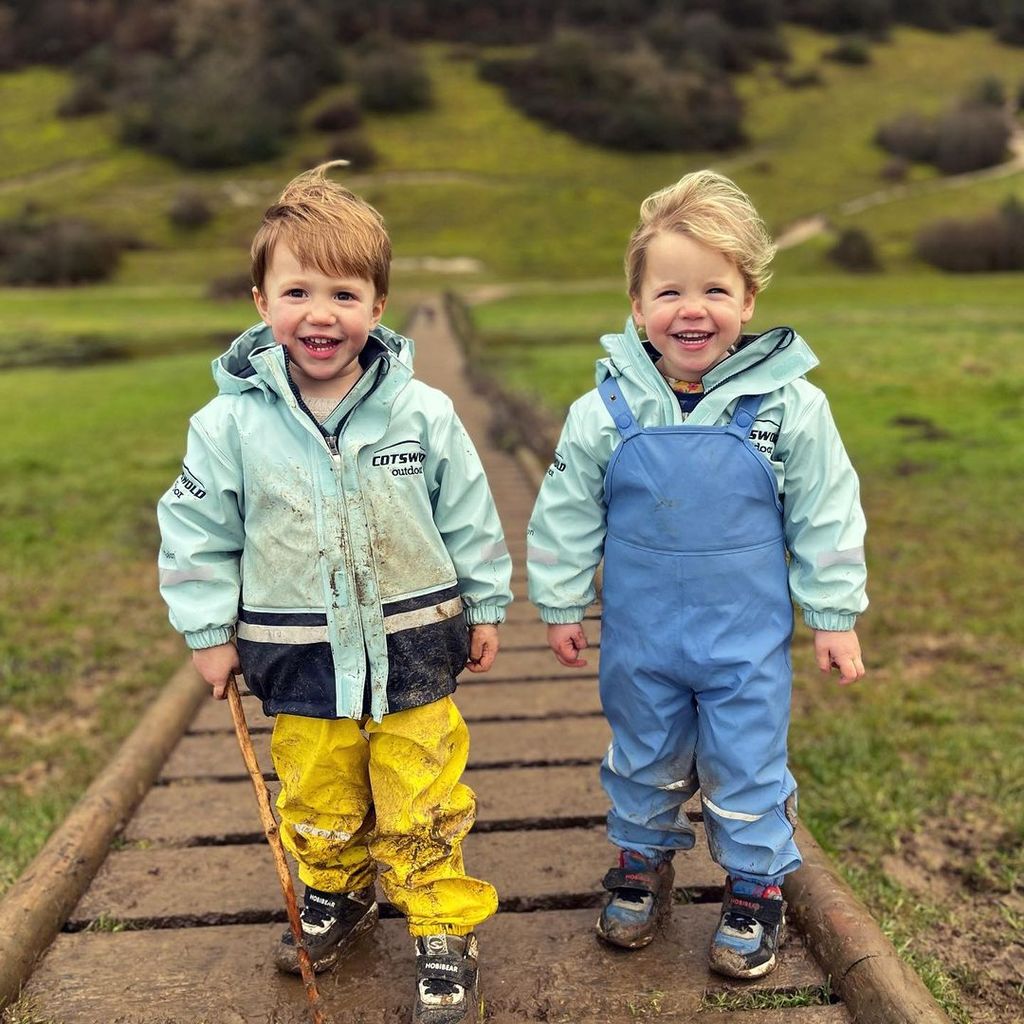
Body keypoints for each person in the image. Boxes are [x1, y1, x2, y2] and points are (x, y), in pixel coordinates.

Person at [158, 162, 512, 1024]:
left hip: (415, 640)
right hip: (294, 647)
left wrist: (488, 602)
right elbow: (198, 533)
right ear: (260, 299)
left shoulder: (421, 412)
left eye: (346, 294)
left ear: (378, 308)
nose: (321, 314)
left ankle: (439, 926)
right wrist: (209, 631)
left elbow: (468, 510)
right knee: (316, 791)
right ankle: (338, 893)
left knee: (421, 793)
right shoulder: (228, 425)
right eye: (298, 291)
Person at [526, 170, 867, 980]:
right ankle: (641, 867)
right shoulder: (605, 410)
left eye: (715, 288)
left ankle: (755, 887)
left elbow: (827, 512)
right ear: (638, 307)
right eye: (669, 290)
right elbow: (568, 508)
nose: (692, 309)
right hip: (641, 641)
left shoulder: (790, 408)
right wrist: (564, 599)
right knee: (643, 754)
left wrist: (834, 613)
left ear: (748, 300)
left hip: (742, 645)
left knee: (745, 759)